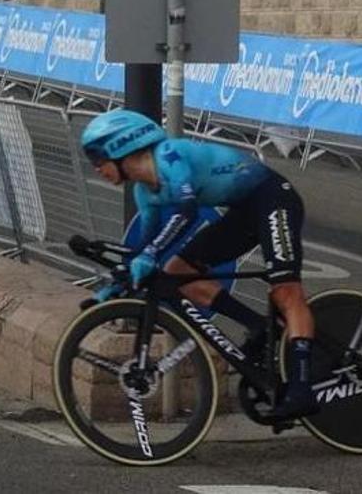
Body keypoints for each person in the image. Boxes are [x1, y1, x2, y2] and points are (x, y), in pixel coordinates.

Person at [79, 110, 320, 420]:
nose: (96, 168)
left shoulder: (169, 156)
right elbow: (140, 247)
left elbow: (186, 212)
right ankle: (258, 325)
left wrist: (149, 255)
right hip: (242, 212)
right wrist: (113, 285)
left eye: (98, 158)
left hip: (273, 198)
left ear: (121, 147)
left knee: (285, 290)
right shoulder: (144, 192)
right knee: (177, 273)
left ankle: (302, 388)